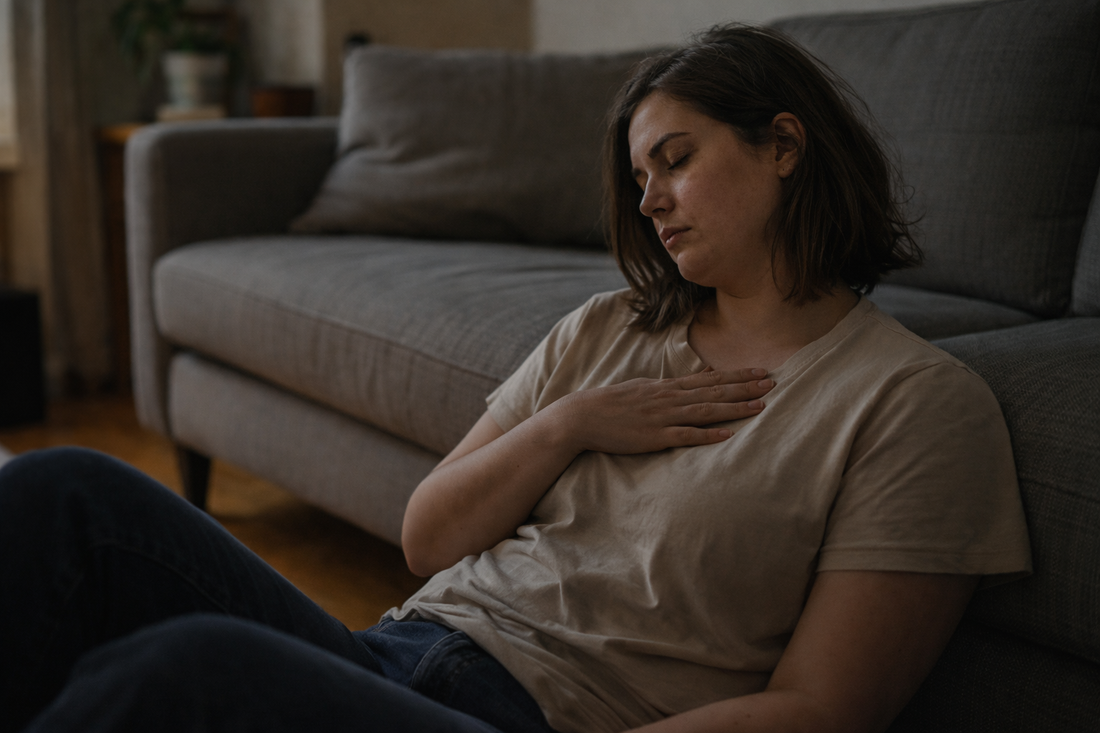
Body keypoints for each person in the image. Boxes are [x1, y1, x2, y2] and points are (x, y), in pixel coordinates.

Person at [0, 24, 1029, 733]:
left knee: (178, 671)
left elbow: (823, 709)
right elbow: (427, 536)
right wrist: (568, 423)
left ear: (784, 147)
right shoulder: (606, 329)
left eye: (675, 158)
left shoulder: (911, 405)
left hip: (529, 719)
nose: (652, 199)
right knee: (63, 494)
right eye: (639, 178)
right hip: (400, 652)